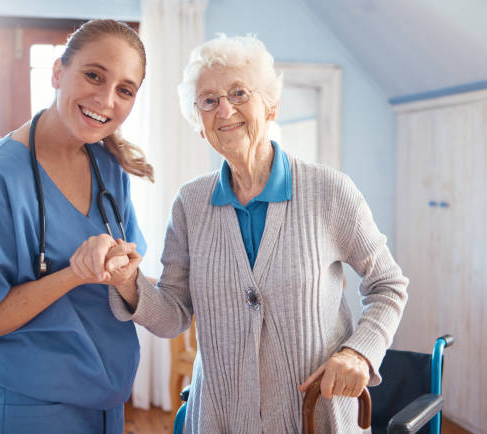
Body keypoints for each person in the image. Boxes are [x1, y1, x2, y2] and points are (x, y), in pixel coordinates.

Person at [76, 34, 409, 432]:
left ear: (270, 105)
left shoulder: (330, 192)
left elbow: (388, 286)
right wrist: (129, 282)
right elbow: (173, 317)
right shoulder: (190, 204)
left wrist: (358, 352)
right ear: (199, 123)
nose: (225, 109)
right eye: (209, 100)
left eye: (239, 93)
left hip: (315, 417)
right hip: (220, 418)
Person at [0, 19, 152, 434]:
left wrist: (123, 269)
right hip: (29, 408)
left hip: (107, 401)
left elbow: (132, 278)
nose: (106, 99)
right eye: (94, 75)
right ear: (58, 72)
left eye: (125, 90)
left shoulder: (109, 169)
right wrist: (73, 275)